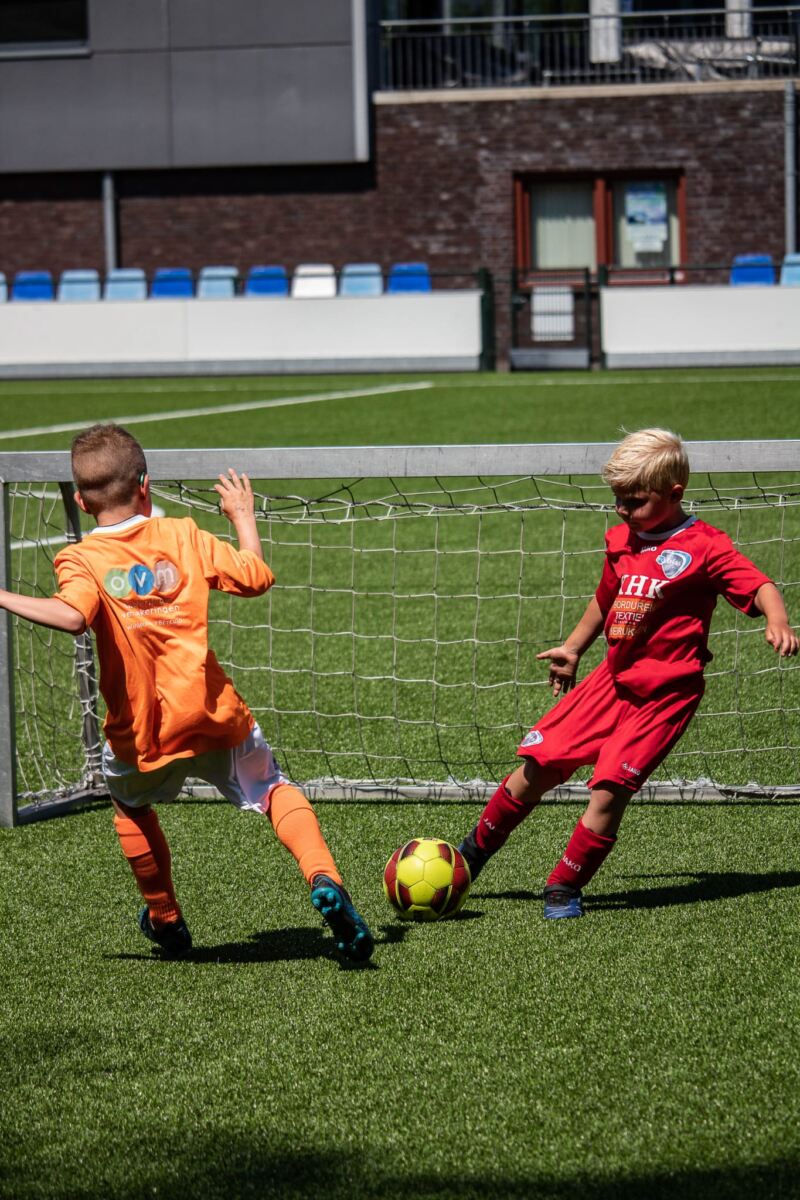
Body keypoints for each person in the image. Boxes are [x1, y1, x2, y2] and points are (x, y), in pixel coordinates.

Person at [0, 423, 373, 962]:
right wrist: (242, 515)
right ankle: (325, 879)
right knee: (272, 789)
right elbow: (255, 576)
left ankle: (166, 917)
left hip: (141, 733)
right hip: (212, 713)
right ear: (146, 486)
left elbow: (72, 616)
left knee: (129, 805)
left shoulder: (81, 558)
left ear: (80, 501)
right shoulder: (183, 535)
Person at [457, 427, 798, 919]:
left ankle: (564, 885)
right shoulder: (622, 539)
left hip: (664, 697)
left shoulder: (706, 546)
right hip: (610, 682)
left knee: (609, 789)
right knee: (536, 768)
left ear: (674, 494)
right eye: (617, 499)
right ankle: (470, 856)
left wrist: (777, 620)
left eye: (634, 501)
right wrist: (573, 648)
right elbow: (606, 599)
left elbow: (759, 584)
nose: (622, 510)